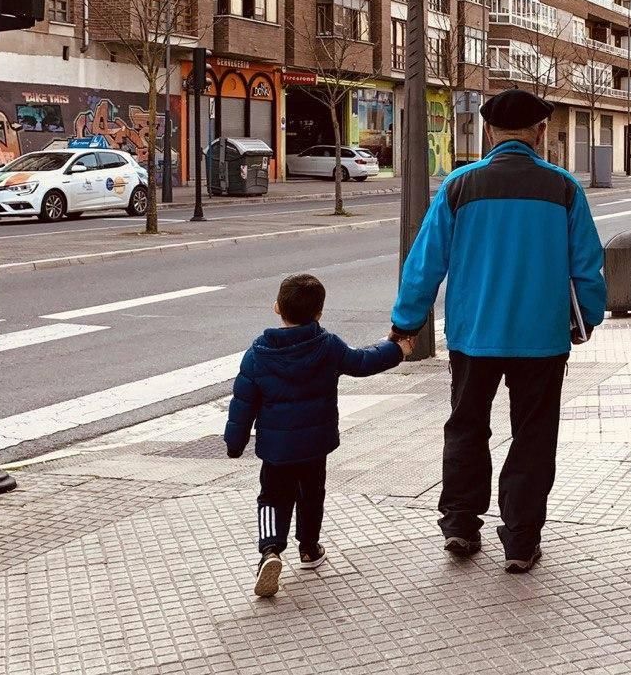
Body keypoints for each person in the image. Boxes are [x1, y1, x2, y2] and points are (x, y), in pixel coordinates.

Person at [390, 89, 607, 574]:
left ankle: (462, 525)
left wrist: (407, 322)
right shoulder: (564, 188)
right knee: (533, 435)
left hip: (474, 335)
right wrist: (587, 318)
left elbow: (424, 263)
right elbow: (588, 267)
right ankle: (521, 540)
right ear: (540, 132)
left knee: (467, 425)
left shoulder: (459, 186)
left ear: (489, 132)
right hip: (541, 339)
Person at [225, 273, 406, 597]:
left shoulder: (258, 354)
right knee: (312, 494)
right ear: (319, 313)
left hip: (276, 450)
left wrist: (234, 444)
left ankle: (270, 550)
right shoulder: (327, 346)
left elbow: (242, 402)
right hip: (314, 446)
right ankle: (309, 548)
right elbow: (363, 362)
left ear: (277, 307)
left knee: (271, 498)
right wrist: (396, 350)